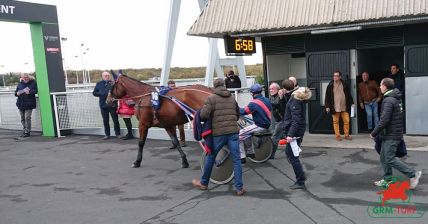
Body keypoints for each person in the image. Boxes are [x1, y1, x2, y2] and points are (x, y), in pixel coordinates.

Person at [192, 78, 245, 196]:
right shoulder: (232, 98)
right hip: (233, 132)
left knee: (211, 156)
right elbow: (237, 115)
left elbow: (204, 116)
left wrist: (199, 113)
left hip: (219, 134)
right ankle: (239, 188)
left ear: (214, 87)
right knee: (236, 160)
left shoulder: (211, 98)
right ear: (224, 85)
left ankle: (204, 183)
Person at [370, 78, 421, 189]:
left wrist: (374, 133)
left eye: (380, 85)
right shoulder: (395, 98)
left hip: (391, 135)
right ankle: (387, 179)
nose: (379, 87)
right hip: (390, 133)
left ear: (385, 86)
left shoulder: (389, 100)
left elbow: (384, 120)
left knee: (389, 158)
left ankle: (413, 174)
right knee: (384, 157)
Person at [283, 87, 312, 190]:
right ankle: (301, 175)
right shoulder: (296, 98)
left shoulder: (296, 101)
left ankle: (300, 181)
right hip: (296, 132)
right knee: (290, 154)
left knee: (293, 157)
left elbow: (296, 121)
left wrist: (290, 135)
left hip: (295, 133)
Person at [239, 83, 272, 161]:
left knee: (239, 135)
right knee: (247, 132)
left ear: (252, 93)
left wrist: (235, 107)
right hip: (267, 124)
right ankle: (250, 152)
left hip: (259, 126)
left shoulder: (253, 103)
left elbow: (243, 111)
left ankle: (242, 156)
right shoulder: (267, 100)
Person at [324, 71, 354, 141]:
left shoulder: (344, 84)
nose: (335, 77)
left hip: (344, 106)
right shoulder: (330, 85)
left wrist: (352, 102)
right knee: (335, 122)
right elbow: (327, 97)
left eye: (337, 76)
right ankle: (338, 136)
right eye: (334, 76)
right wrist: (327, 106)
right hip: (334, 107)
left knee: (347, 121)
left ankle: (346, 135)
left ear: (340, 77)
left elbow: (348, 94)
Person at [93, 71, 121, 140]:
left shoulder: (113, 83)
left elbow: (118, 93)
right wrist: (102, 93)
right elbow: (94, 93)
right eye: (105, 75)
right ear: (102, 76)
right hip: (103, 105)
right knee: (105, 121)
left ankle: (118, 134)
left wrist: (115, 97)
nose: (107, 76)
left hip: (112, 105)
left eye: (108, 75)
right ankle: (107, 135)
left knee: (116, 120)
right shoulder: (99, 84)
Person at [15, 73, 38, 137]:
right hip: (21, 103)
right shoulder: (20, 84)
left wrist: (30, 92)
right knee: (22, 118)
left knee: (27, 117)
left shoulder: (33, 83)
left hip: (29, 103)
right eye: (24, 77)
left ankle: (28, 131)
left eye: (27, 77)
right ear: (22, 78)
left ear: (29, 77)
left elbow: (36, 91)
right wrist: (17, 93)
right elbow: (15, 93)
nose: (25, 78)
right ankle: (25, 130)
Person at [269, 82, 285, 159]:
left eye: (272, 89)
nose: (271, 90)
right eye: (270, 89)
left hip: (281, 120)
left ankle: (271, 155)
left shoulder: (281, 97)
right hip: (275, 120)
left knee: (274, 138)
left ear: (278, 89)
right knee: (274, 136)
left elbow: (277, 104)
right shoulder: (271, 97)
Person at [167, 80, 186, 148]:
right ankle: (174, 143)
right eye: (171, 86)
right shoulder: (166, 93)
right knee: (173, 129)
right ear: (168, 86)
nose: (173, 87)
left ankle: (182, 142)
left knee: (181, 129)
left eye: (173, 85)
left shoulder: (178, 92)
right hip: (171, 115)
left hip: (180, 114)